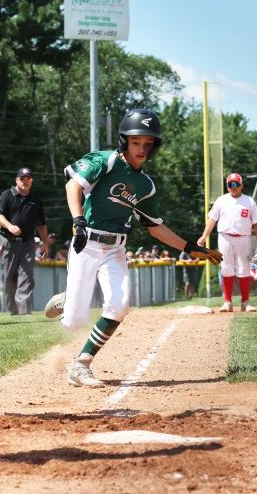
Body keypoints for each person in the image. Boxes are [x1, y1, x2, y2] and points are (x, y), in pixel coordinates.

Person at [42, 109, 221, 387]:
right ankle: (69, 299)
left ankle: (81, 364)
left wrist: (187, 247)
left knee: (119, 305)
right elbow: (72, 185)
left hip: (115, 249)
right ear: (125, 141)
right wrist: (78, 222)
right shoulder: (106, 161)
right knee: (74, 322)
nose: (142, 148)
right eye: (137, 142)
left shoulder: (145, 185)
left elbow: (154, 226)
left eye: (148, 143)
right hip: (86, 241)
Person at [197, 172, 257, 312]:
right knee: (226, 268)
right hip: (225, 237)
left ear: (241, 186)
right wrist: (204, 236)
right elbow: (212, 219)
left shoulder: (249, 201)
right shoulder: (221, 200)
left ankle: (245, 302)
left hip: (244, 237)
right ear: (227, 186)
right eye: (230, 184)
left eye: (236, 184)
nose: (233, 187)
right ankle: (227, 302)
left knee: (244, 269)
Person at [0, 167, 49, 315]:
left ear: (31, 181)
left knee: (27, 275)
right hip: (9, 241)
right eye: (22, 178)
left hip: (28, 242)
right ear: (17, 180)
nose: (26, 181)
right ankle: (13, 309)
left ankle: (24, 310)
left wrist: (45, 243)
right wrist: (10, 226)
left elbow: (41, 224)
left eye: (28, 178)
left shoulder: (35, 198)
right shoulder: (7, 195)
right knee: (9, 277)